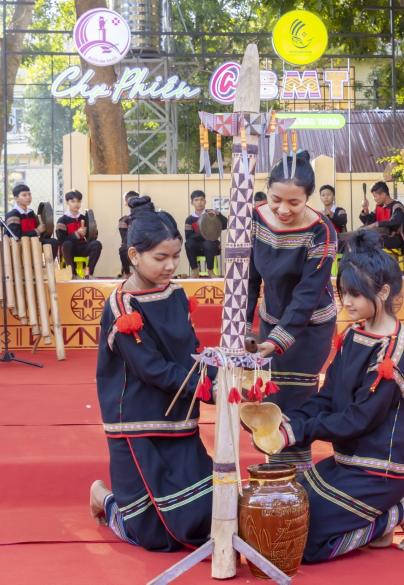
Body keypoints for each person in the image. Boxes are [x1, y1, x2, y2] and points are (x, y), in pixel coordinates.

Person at [264, 229, 404, 561]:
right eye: (342, 292)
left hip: (380, 470)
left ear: (383, 292)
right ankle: (376, 528)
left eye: (354, 294)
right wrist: (291, 421)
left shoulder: (394, 354)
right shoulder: (355, 333)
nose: (346, 302)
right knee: (282, 517)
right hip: (347, 462)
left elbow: (359, 418)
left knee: (303, 545)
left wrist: (297, 432)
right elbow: (328, 396)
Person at [89, 198, 214, 551]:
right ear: (133, 256)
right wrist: (207, 386)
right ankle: (104, 498)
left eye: (176, 256)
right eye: (160, 258)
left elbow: (191, 350)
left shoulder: (174, 292)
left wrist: (221, 372)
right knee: (156, 537)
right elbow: (152, 368)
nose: (171, 265)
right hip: (138, 422)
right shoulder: (122, 306)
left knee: (201, 524)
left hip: (179, 415)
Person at [246, 151, 337, 471]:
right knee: (270, 395)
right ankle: (276, 468)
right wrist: (245, 326)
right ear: (266, 191)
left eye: (294, 203)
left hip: (310, 325)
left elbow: (307, 294)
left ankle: (298, 475)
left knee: (296, 398)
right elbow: (249, 278)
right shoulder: (254, 219)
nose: (283, 209)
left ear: (308, 198)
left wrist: (278, 340)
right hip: (270, 318)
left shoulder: (322, 231)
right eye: (276, 199)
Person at [56, 190, 103, 278]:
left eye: (78, 201)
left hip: (82, 247)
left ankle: (89, 273)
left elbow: (92, 238)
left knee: (97, 244)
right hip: (69, 249)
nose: (76, 204)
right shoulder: (62, 220)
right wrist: (77, 234)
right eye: (73, 201)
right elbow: (61, 240)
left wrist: (94, 230)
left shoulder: (84, 218)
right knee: (67, 244)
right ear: (67, 203)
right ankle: (73, 274)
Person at [183, 190, 227, 278]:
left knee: (208, 243)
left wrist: (219, 214)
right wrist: (204, 233)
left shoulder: (211, 214)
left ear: (205, 202)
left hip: (211, 246)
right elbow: (188, 237)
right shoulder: (189, 219)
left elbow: (225, 225)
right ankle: (195, 272)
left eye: (201, 199)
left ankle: (210, 271)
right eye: (196, 200)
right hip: (197, 248)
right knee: (188, 243)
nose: (199, 202)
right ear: (192, 203)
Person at [360, 181, 404, 255]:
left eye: (375, 196)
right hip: (380, 236)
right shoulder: (378, 207)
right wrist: (365, 209)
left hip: (393, 238)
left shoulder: (396, 206)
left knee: (373, 239)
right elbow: (368, 223)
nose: (374, 199)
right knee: (361, 233)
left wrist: (376, 224)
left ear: (383, 195)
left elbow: (396, 221)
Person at [319, 185, 348, 254]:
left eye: (328, 194)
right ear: (320, 197)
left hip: (340, 243)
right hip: (325, 244)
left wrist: (330, 214)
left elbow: (342, 222)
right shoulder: (320, 214)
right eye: (323, 195)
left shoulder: (340, 210)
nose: (325, 197)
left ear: (334, 197)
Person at [117, 190, 140, 277]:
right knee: (123, 250)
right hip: (131, 245)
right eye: (131, 201)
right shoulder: (123, 220)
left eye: (137, 200)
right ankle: (127, 273)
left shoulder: (145, 217)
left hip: (145, 244)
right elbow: (125, 238)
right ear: (126, 204)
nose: (135, 203)